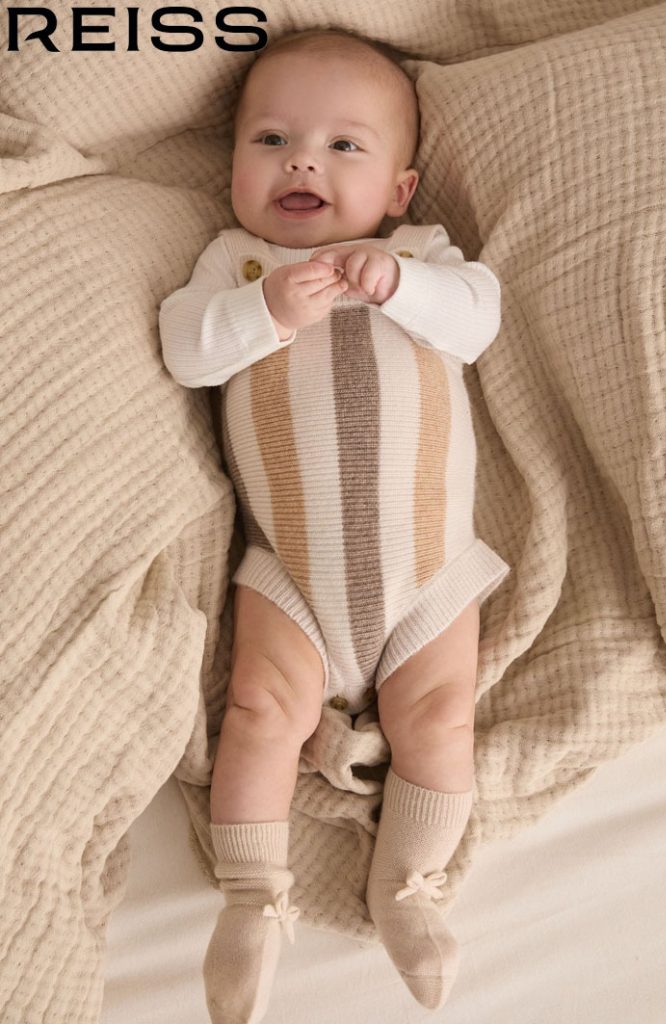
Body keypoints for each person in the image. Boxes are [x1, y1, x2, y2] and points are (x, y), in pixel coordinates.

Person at [159, 25, 510, 1024]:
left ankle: (408, 888)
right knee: (258, 711)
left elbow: (477, 321)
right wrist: (267, 310)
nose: (301, 161)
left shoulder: (420, 254)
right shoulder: (236, 264)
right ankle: (250, 896)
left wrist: (404, 285)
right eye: (270, 140)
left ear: (399, 189)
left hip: (428, 569)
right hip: (290, 570)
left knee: (438, 721)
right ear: (234, 163)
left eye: (342, 146)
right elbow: (186, 351)